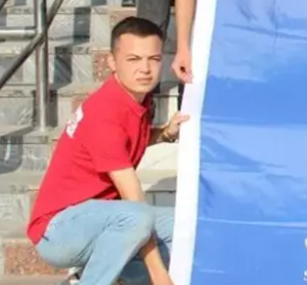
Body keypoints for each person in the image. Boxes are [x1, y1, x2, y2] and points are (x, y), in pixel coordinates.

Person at [27, 17, 187, 285]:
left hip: (99, 219)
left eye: (154, 59)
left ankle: (90, 277)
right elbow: (134, 199)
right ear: (112, 62)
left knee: (183, 225)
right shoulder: (105, 112)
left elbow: (126, 142)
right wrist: (159, 276)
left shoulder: (134, 98)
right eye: (133, 59)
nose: (145, 69)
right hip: (58, 230)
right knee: (138, 216)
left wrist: (164, 133)